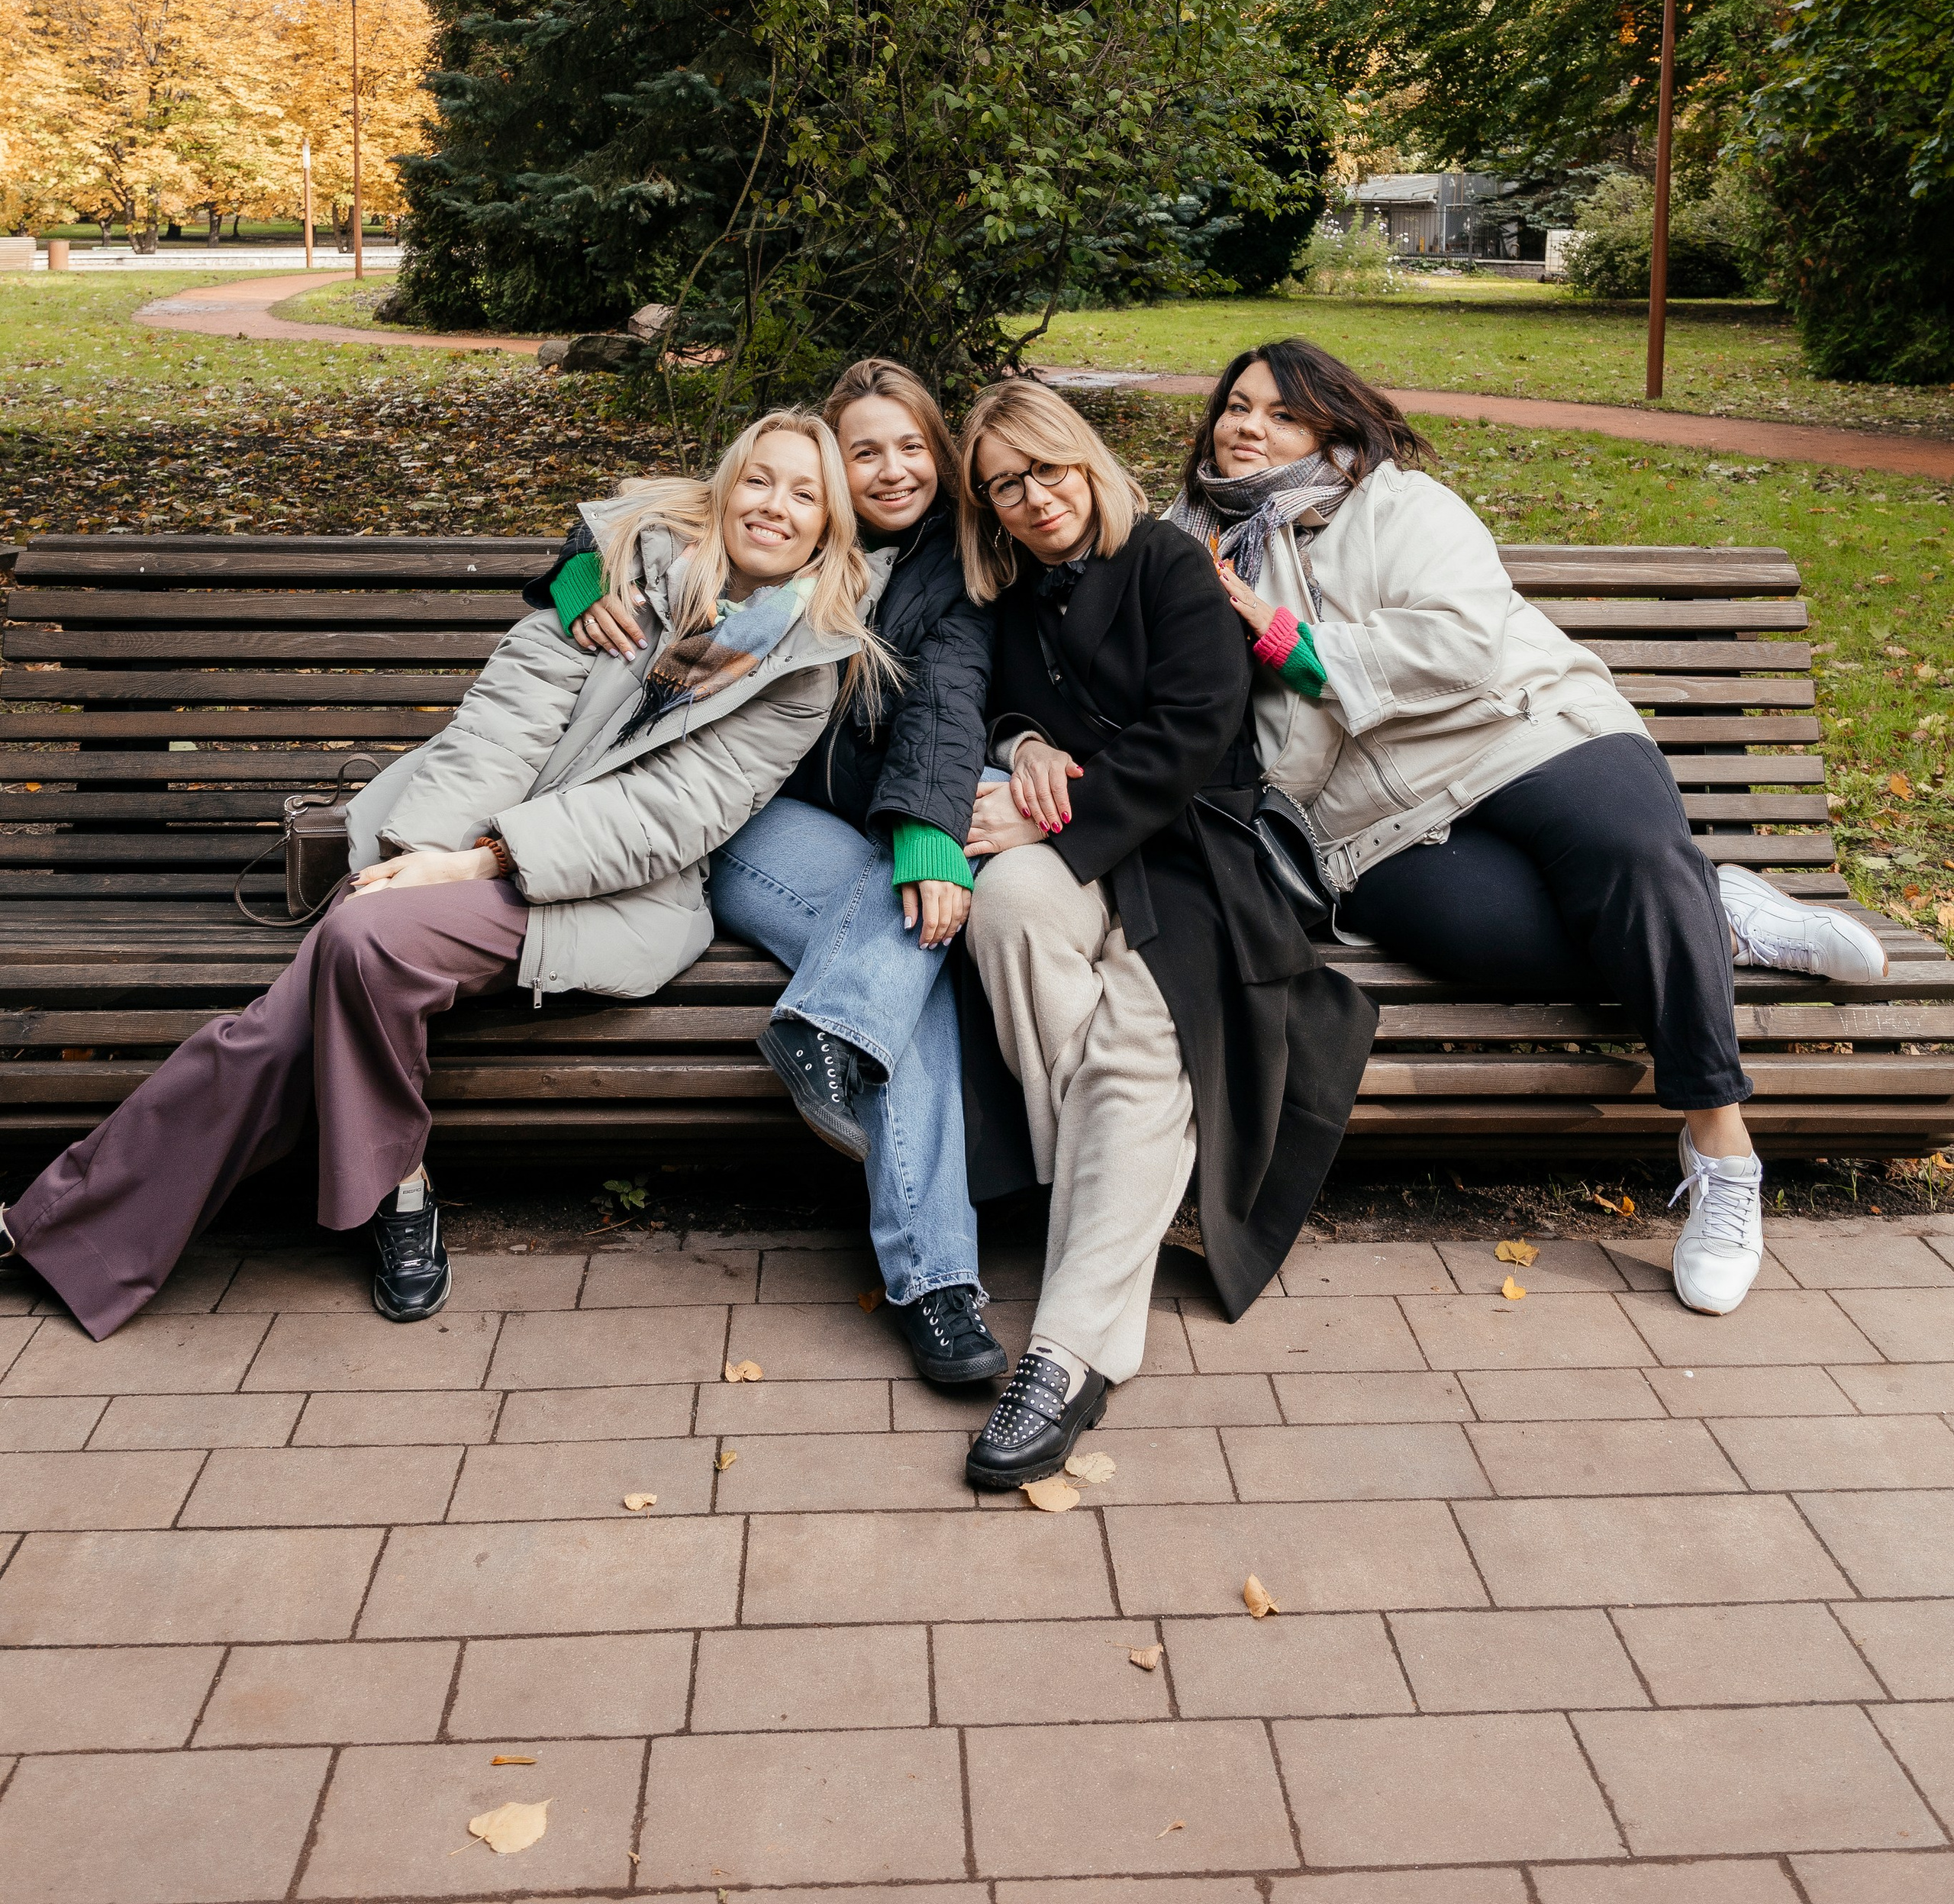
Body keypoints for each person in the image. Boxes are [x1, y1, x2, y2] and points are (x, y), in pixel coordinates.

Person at [0, 413, 886, 1339]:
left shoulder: (805, 668)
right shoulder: (618, 574)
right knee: (330, 974)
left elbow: (671, 816)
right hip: (449, 838)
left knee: (348, 945)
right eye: (760, 480)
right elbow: (500, 726)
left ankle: (90, 1222)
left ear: (829, 525)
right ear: (726, 484)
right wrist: (412, 854)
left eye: (804, 494)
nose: (775, 507)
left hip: (610, 893)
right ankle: (391, 1187)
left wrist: (480, 860)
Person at [1166, 336, 1891, 1321]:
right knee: (1505, 936)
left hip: (1528, 727)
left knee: (1632, 855)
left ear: (1334, 428)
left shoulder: (1402, 505)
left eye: (1282, 412)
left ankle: (1720, 1147)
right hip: (1379, 824)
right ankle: (1710, 906)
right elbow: (1249, 746)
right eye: (1237, 405)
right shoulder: (1186, 546)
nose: (1248, 426)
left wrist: (1285, 640)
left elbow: (1465, 640)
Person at [955, 381, 1377, 1490]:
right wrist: (1027, 739)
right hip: (1083, 849)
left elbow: (1197, 730)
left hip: (1194, 855)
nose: (1033, 495)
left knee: (1144, 1040)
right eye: (1005, 483)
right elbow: (1008, 702)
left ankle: (1071, 1348)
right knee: (1007, 909)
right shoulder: (1015, 596)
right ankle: (1108, 1199)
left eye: (1046, 468)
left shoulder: (1169, 562)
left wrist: (1067, 783)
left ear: (1085, 460)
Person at [552, 359, 1004, 1387]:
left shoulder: (948, 567)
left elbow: (946, 697)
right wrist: (582, 582)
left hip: (811, 823)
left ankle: (934, 1277)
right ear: (826, 468)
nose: (892, 471)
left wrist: (929, 833)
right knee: (906, 957)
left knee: (913, 942)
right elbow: (616, 520)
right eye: (863, 452)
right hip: (685, 814)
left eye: (911, 447)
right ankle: (934, 1277)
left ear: (939, 453)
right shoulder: (773, 518)